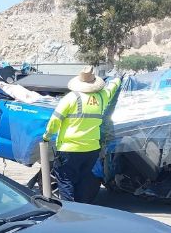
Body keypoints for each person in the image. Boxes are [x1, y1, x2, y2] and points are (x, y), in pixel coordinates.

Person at [42, 66, 121, 202]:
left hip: (69, 149)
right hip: (91, 149)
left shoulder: (71, 98)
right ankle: (81, 209)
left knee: (66, 180)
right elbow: (111, 88)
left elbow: (55, 121)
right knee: (85, 181)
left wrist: (47, 137)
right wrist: (118, 79)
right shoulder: (102, 97)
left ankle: (69, 211)